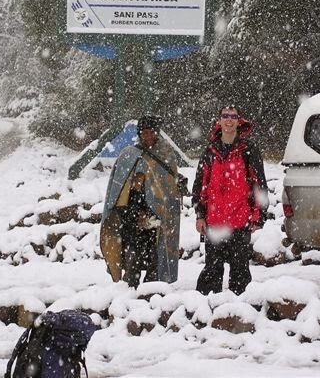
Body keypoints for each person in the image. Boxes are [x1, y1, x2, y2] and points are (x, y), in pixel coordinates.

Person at [192, 106, 269, 295]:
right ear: (219, 121)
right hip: (214, 221)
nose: (229, 120)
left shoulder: (248, 149)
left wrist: (258, 216)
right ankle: (206, 311)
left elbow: (259, 183)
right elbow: (200, 184)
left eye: (233, 117)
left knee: (240, 271)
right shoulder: (210, 150)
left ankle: (240, 313)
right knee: (212, 270)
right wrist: (200, 215)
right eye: (225, 116)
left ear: (238, 121)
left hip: (240, 220)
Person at [100, 115, 181, 288]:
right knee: (132, 259)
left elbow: (169, 188)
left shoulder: (166, 154)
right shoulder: (129, 155)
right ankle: (130, 292)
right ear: (139, 134)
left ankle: (152, 292)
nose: (148, 136)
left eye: (151, 132)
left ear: (157, 132)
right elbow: (118, 192)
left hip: (158, 218)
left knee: (156, 258)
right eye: (144, 132)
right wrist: (135, 214)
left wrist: (156, 212)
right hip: (132, 217)